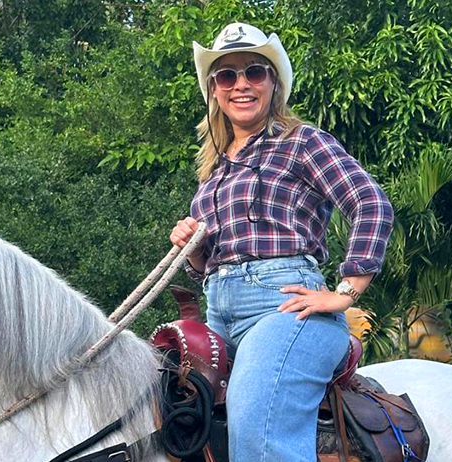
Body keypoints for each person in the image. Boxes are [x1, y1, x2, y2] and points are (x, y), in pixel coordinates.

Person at [168, 22, 394, 461]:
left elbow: (371, 204)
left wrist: (345, 293)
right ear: (214, 89)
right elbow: (210, 263)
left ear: (274, 84)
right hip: (219, 313)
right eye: (227, 75)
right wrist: (194, 250)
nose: (241, 84)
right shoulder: (212, 173)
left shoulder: (302, 142)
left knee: (257, 428)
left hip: (286, 306)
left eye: (255, 71)